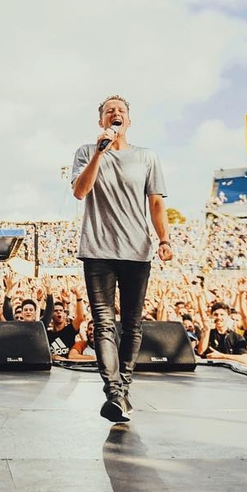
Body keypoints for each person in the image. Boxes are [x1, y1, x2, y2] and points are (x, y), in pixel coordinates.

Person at [71, 94, 172, 422]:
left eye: (121, 111)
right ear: (101, 120)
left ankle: (123, 388)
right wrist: (99, 153)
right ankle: (113, 391)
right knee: (103, 322)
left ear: (129, 120)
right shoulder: (86, 152)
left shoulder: (147, 157)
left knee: (132, 323)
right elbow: (80, 191)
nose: (115, 114)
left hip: (136, 249)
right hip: (98, 249)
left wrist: (165, 239)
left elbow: (156, 203)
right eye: (109, 111)